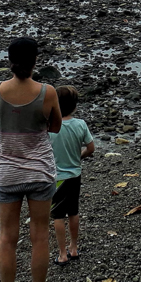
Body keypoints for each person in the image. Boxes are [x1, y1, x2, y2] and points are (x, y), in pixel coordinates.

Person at [0, 37, 62, 282]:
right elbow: (55, 126)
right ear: (35, 61)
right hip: (40, 172)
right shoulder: (48, 92)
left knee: (8, 238)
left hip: (6, 173)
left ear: (10, 60)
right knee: (40, 237)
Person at [49, 85, 95, 265]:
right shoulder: (80, 124)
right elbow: (91, 148)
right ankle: (74, 248)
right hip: (75, 174)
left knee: (57, 215)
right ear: (75, 106)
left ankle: (62, 253)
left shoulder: (50, 127)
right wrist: (79, 157)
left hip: (57, 177)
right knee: (73, 212)